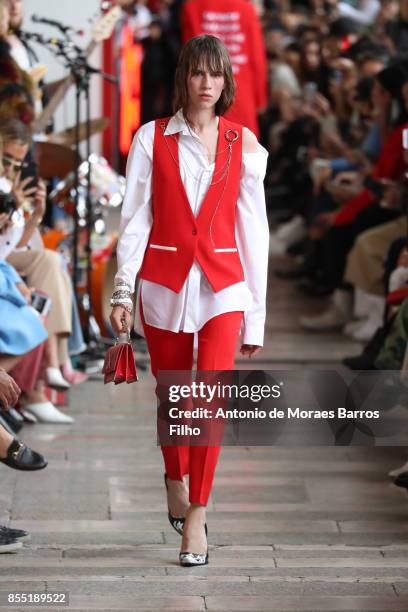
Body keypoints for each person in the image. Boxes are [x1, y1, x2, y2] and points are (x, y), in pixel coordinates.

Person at [110, 34, 269, 567]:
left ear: (226, 81)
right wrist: (122, 290)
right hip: (163, 284)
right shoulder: (152, 138)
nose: (207, 84)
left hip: (224, 286)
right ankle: (173, 476)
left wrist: (256, 317)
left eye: (216, 74)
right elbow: (134, 221)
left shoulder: (242, 142)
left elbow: (255, 230)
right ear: (184, 78)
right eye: (198, 74)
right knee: (173, 396)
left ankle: (197, 514)